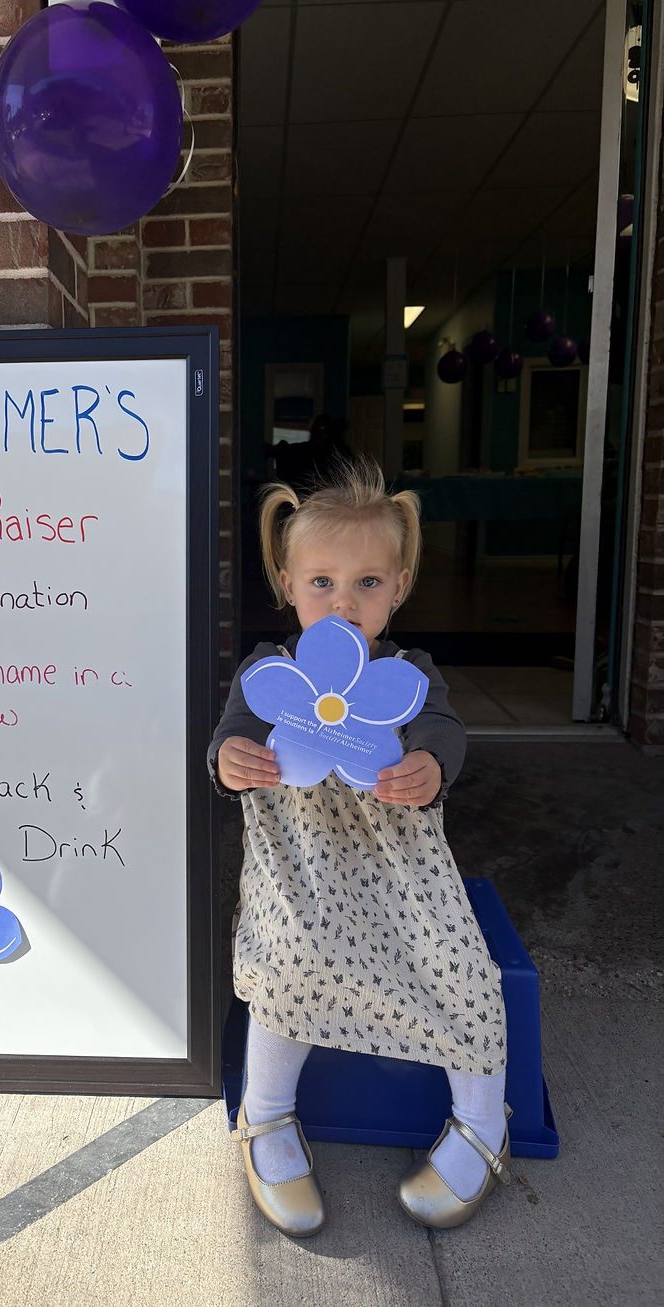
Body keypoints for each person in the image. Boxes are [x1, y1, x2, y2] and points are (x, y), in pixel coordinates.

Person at [208, 457, 509, 1237]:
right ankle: (267, 1116)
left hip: (397, 868)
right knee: (289, 960)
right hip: (300, 869)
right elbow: (231, 736)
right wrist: (229, 759)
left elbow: (444, 730)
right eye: (322, 583)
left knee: (458, 963)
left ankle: (483, 1118)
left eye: (367, 583)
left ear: (399, 586)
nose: (344, 601)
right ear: (287, 582)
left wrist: (430, 764)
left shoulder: (406, 675)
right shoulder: (267, 676)